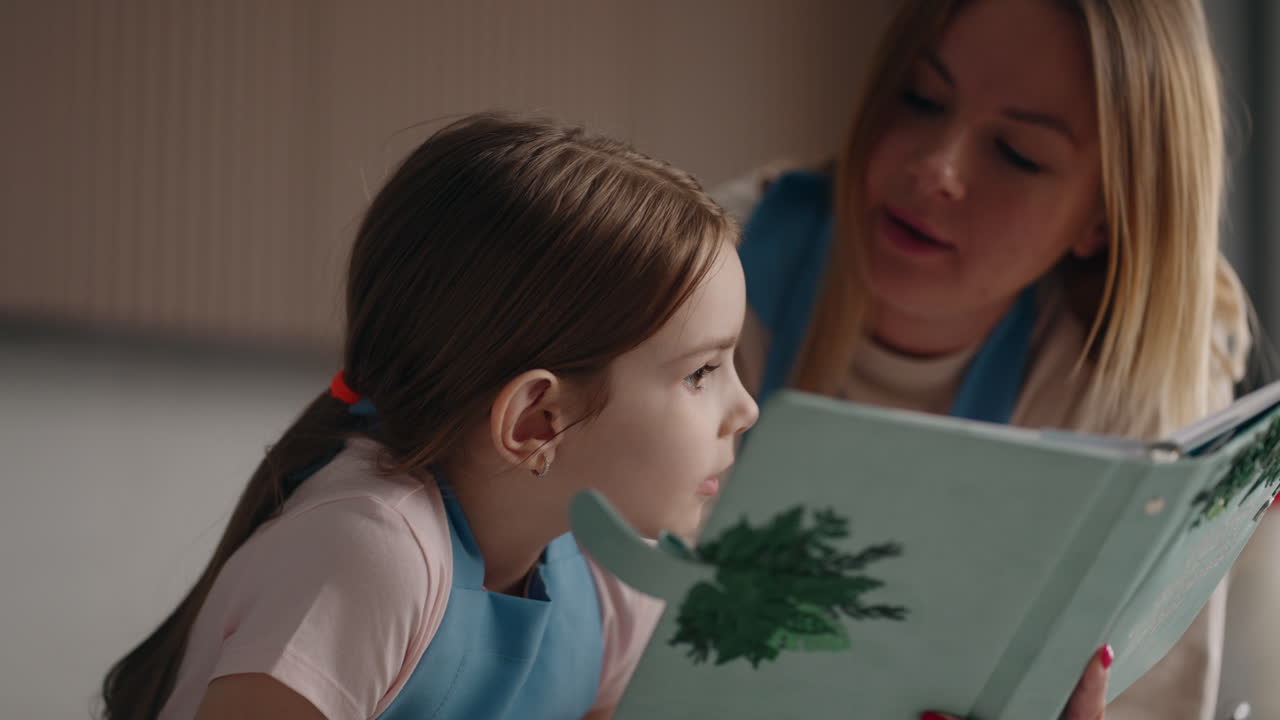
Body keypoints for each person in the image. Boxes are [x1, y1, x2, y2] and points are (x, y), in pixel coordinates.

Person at [97, 113, 1107, 720]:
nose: (745, 406)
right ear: (537, 420)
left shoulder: (604, 577)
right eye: (702, 372)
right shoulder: (370, 555)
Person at [717, 1, 1252, 719]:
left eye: (1018, 153)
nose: (935, 168)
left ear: (1104, 217)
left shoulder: (1134, 383)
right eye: (920, 98)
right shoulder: (704, 281)